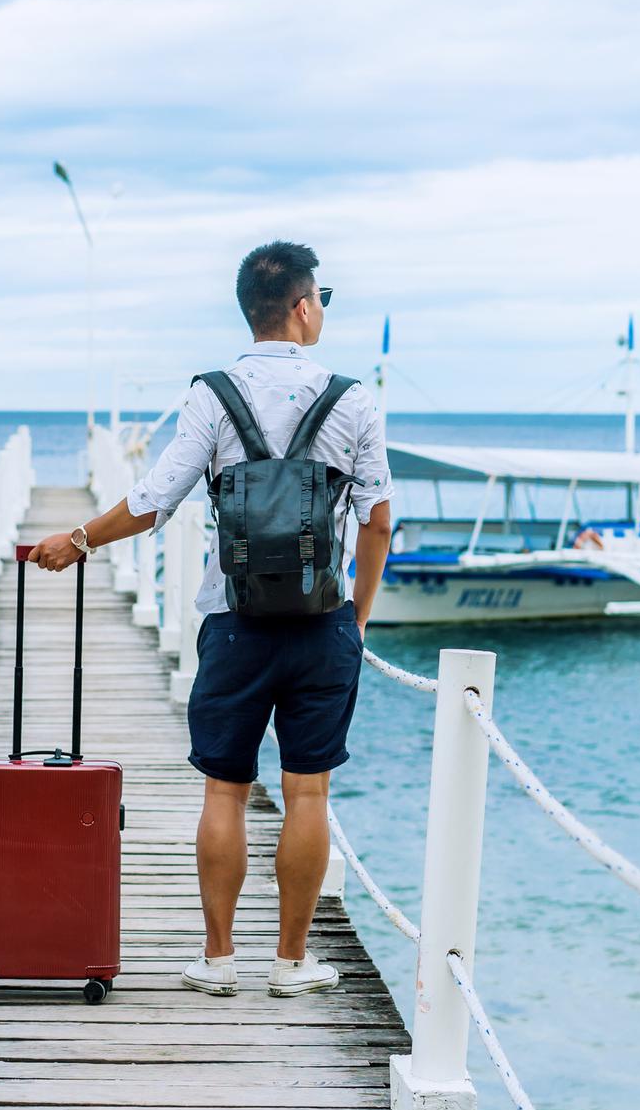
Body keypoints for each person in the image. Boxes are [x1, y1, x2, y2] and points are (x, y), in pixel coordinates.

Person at [27, 240, 393, 998]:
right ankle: (292, 962)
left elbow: (154, 499)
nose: (320, 308)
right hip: (322, 623)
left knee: (224, 790)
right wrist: (355, 618)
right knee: (308, 792)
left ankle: (219, 957)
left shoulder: (213, 395)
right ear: (300, 305)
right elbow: (378, 521)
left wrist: (79, 539)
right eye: (319, 296)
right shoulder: (353, 399)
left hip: (234, 622)